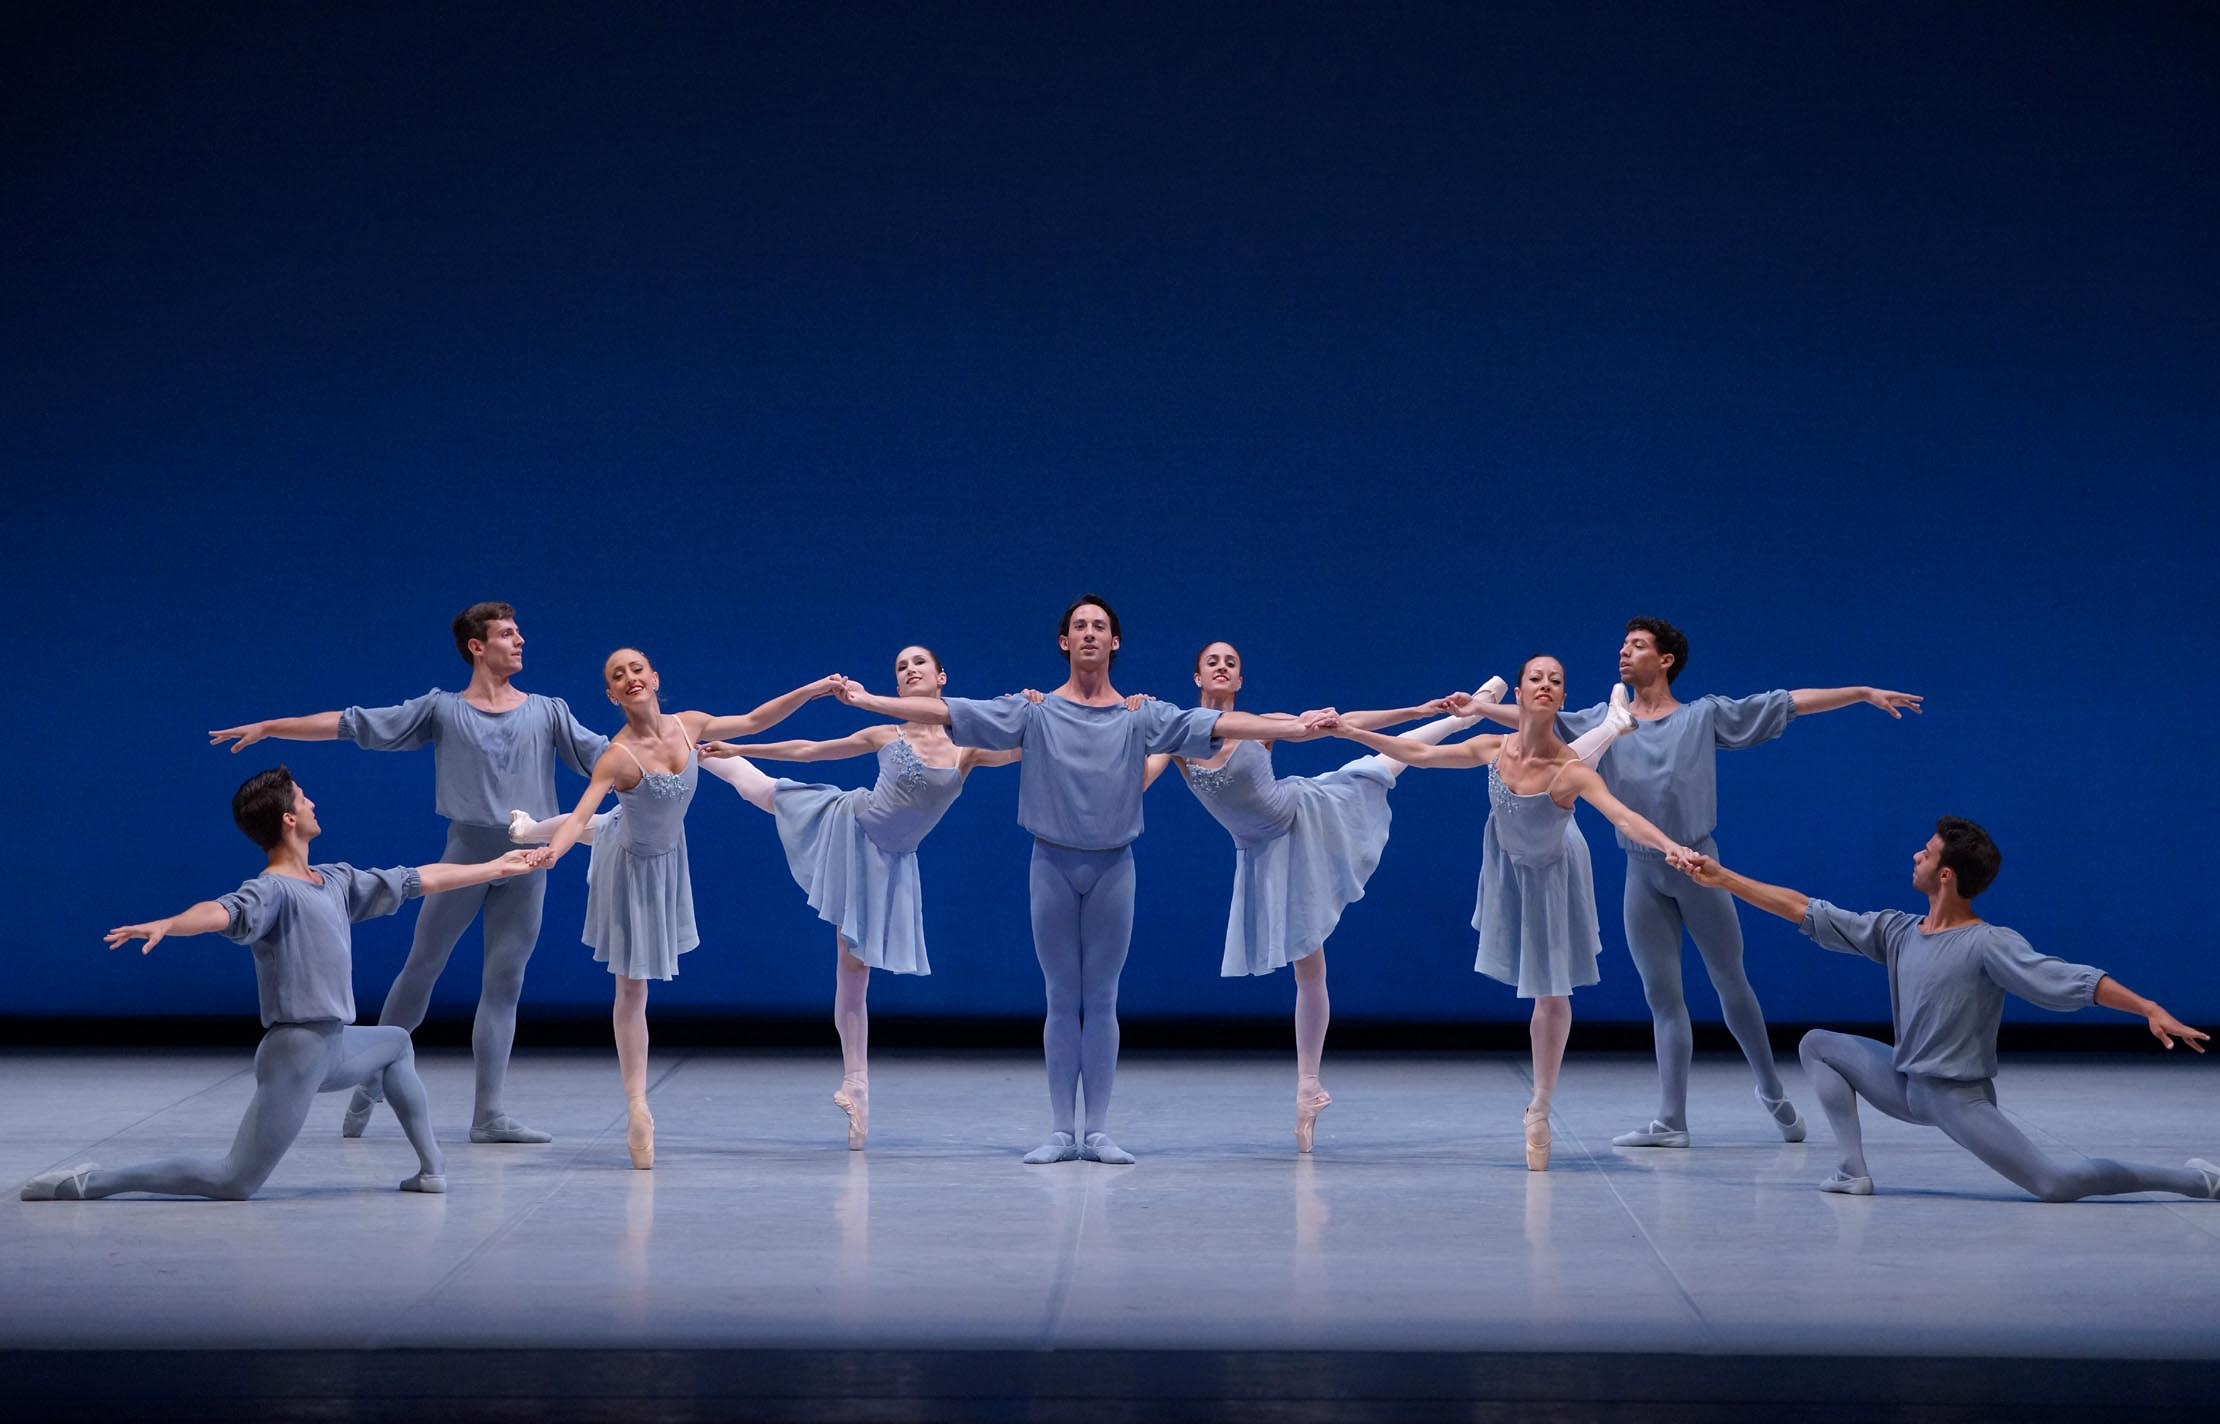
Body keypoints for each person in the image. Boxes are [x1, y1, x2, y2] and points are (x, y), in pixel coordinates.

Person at [830, 594, 1322, 1165]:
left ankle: (1100, 1130)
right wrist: (867, 700)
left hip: (1114, 866)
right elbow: (948, 712)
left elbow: (1215, 721)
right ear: (1065, 642)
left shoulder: (1142, 715)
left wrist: (1292, 728)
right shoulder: (1033, 711)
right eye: (1080, 627)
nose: (1089, 633)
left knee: (1104, 997)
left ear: (1114, 643)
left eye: (1100, 627)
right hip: (1052, 865)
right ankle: (1063, 1130)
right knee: (1062, 997)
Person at [511, 643, 1017, 1151]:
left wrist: (1041, 709)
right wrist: (740, 751)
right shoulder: (883, 733)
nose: (908, 671)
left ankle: (856, 1086)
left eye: (917, 665)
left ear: (942, 677)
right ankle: (684, 770)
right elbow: (809, 750)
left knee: (854, 968)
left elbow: (1024, 743)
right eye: (901, 666)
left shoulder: (966, 751)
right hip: (847, 826)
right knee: (753, 793)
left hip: (889, 862)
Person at [1145, 644, 1633, 1152]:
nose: (1222, 668)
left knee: (1381, 767)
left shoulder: (1257, 723)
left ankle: (1463, 718)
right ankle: (1308, 1090)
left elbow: (1339, 720)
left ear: (1240, 679)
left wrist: (1416, 710)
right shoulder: (1176, 738)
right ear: (1196, 674)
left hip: (1303, 816)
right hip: (1261, 853)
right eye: (1213, 662)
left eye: (1231, 663)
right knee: (1306, 966)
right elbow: (1135, 775)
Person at [1465, 616, 1921, 1149]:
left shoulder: (1702, 716)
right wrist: (1475, 709)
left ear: (1665, 660)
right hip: (1643, 871)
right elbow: (1534, 715)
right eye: (1623, 644)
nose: (1623, 652)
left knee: (1731, 982)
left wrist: (1861, 692)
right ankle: (1671, 1120)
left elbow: (1786, 703)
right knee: (1663, 995)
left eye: (1637, 646)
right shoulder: (1602, 720)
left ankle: (1771, 1090)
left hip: (1701, 867)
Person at [22, 767, 533, 1201]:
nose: (313, 804)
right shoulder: (269, 892)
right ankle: (91, 1182)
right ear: (290, 819)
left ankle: (431, 1171)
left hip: (332, 1043)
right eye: (304, 799)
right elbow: (220, 911)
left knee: (396, 1043)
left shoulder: (333, 881)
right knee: (234, 1181)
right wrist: (170, 924)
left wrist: (495, 866)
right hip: (297, 1050)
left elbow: (418, 879)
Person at [208, 601, 606, 1145]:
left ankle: (488, 1114)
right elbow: (355, 724)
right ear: (476, 645)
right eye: (507, 634)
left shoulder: (548, 711)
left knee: (505, 982)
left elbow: (613, 759)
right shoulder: (442, 710)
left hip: (531, 860)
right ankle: (369, 1083)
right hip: (465, 851)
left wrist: (681, 753)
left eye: (519, 634)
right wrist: (272, 727)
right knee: (422, 967)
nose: (519, 642)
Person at [1678, 819, 2219, 1202]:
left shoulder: (1988, 943)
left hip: (1958, 1099)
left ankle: (2195, 1180)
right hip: (1906, 1084)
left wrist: (2147, 1006)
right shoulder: (1897, 930)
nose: (1916, 855)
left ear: (1946, 876)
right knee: (1818, 1043)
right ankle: (1852, 1169)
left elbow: (2069, 979)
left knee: (2056, 1184)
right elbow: (1805, 908)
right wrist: (1725, 879)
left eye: (1926, 853)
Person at [1326, 656, 1696, 1171]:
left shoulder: (1572, 773)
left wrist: (1669, 845)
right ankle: (1612, 724)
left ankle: (1540, 1106)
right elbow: (1418, 753)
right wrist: (1348, 731)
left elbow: (1625, 818)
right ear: (1518, 695)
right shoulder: (1492, 747)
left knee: (1551, 990)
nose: (1545, 686)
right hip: (1508, 855)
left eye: (1556, 682)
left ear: (1563, 699)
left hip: (1554, 868)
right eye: (1535, 680)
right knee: (1550, 758)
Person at [525, 650, 835, 1169]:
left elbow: (757, 720)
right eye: (617, 676)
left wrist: (813, 688)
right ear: (611, 694)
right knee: (631, 983)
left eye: (636, 669)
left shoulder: (689, 726)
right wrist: (551, 853)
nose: (629, 678)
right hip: (628, 866)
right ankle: (637, 1106)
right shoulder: (616, 756)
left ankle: (528, 827)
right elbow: (582, 813)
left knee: (610, 828)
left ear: (654, 677)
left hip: (666, 856)